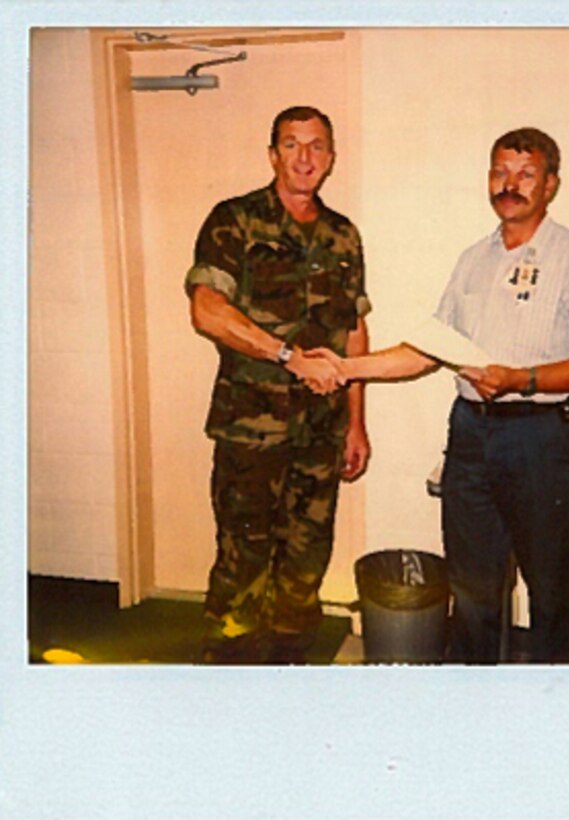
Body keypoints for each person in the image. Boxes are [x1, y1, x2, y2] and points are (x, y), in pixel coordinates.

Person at [308, 127, 569, 664]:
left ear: (550, 185)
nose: (510, 184)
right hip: (471, 435)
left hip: (540, 439)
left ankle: (561, 718)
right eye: (500, 171)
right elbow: (428, 349)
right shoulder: (473, 259)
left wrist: (521, 380)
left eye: (525, 174)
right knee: (472, 593)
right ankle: (473, 712)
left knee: (550, 594)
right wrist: (345, 367)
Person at [185, 106, 371, 664]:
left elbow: (354, 330)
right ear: (273, 155)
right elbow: (206, 310)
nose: (305, 157)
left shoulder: (344, 235)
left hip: (322, 429)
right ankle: (231, 667)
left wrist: (357, 422)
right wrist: (287, 356)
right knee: (244, 553)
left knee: (308, 554)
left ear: (332, 158)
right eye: (292, 145)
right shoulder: (235, 220)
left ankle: (290, 660)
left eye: (317, 146)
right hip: (252, 429)